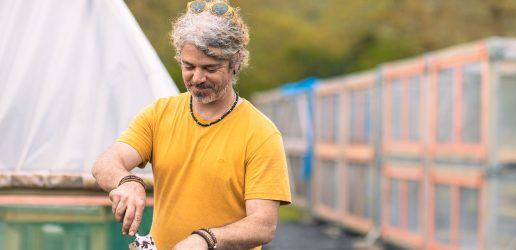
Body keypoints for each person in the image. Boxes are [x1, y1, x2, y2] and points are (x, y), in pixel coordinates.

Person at [91, 0, 291, 249]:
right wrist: (127, 182)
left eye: (210, 68)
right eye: (189, 66)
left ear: (236, 62)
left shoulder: (261, 133)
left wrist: (207, 239)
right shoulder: (160, 113)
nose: (197, 78)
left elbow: (263, 224)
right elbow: (105, 163)